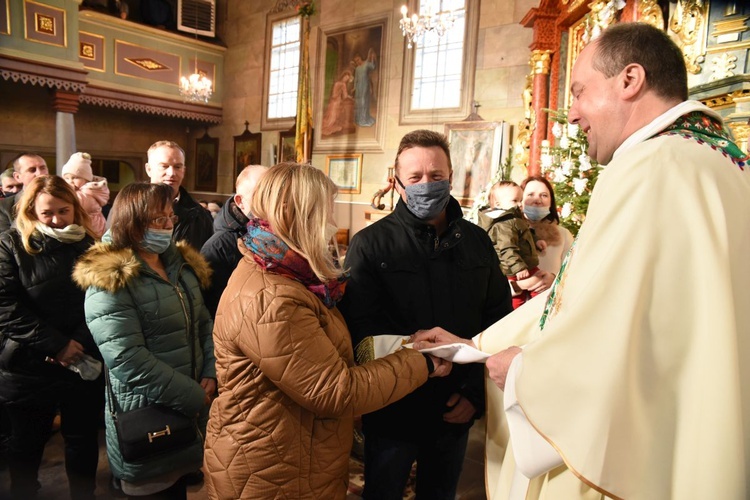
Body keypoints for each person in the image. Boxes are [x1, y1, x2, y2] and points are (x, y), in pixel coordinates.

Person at [413, 22, 750, 499]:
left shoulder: (649, 169)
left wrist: (528, 371)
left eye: (579, 91)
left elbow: (603, 328)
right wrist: (477, 345)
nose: (571, 114)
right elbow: (590, 298)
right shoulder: (726, 162)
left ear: (629, 80)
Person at [202, 162, 451, 499]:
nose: (332, 224)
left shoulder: (288, 274)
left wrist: (404, 345)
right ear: (295, 214)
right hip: (271, 470)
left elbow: (322, 354)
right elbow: (336, 391)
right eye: (326, 213)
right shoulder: (273, 298)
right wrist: (420, 362)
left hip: (297, 456)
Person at [338, 129, 512, 499]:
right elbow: (360, 329)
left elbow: (498, 321)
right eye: (415, 178)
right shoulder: (370, 244)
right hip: (393, 408)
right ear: (396, 183)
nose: (426, 185)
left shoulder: (477, 241)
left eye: (436, 177)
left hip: (455, 407)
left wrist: (474, 395)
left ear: (450, 178)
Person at [73, 182, 216, 499]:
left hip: (190, 410)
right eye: (157, 219)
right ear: (131, 221)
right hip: (149, 413)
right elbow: (127, 358)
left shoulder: (177, 263)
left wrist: (210, 371)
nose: (168, 226)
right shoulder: (110, 276)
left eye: (170, 217)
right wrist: (192, 395)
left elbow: (203, 321)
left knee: (178, 488)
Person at [0, 175, 102, 499]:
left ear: (75, 209)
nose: (57, 219)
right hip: (29, 363)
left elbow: (102, 300)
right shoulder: (10, 244)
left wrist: (78, 343)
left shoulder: (90, 243)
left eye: (64, 211)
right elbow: (4, 305)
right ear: (31, 211)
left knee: (83, 441)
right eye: (47, 213)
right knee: (26, 446)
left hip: (81, 358)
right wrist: (56, 344)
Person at [200, 164, 267, 317]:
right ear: (240, 201)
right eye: (261, 194)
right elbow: (213, 307)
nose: (270, 201)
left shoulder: (273, 233)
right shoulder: (217, 247)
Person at [477, 181, 544, 308]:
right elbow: (507, 248)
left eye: (520, 200)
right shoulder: (503, 225)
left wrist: (536, 240)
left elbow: (524, 232)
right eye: (514, 200)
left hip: (525, 264)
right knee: (516, 300)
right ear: (498, 204)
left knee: (540, 289)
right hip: (513, 269)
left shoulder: (514, 218)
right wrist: (517, 267)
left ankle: (541, 311)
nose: (519, 204)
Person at [511, 176, 573, 302]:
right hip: (509, 310)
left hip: (548, 308)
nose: (537, 200)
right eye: (530, 194)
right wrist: (519, 285)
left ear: (551, 203)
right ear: (520, 202)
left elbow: (574, 274)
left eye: (544, 195)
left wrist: (554, 281)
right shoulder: (506, 232)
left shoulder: (564, 235)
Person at [145, 140, 214, 250]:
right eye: (164, 166)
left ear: (184, 170)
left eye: (177, 167)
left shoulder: (200, 216)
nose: (172, 173)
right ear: (149, 169)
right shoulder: (131, 207)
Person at [62, 152, 111, 239]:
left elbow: (74, 203)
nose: (70, 181)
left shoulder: (88, 194)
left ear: (86, 180)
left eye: (75, 178)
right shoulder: (83, 192)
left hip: (92, 231)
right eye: (66, 178)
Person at [0, 153, 49, 232]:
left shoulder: (63, 198)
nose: (40, 174)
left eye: (43, 168)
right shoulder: (4, 207)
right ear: (18, 177)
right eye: (32, 170)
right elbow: (4, 241)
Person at [321, 70, 355, 136]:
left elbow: (333, 94)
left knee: (330, 115)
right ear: (343, 76)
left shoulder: (336, 83)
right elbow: (345, 96)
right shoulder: (343, 84)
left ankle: (327, 124)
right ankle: (328, 125)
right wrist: (350, 97)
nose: (346, 79)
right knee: (333, 116)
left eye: (347, 79)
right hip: (337, 101)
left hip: (332, 101)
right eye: (346, 78)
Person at [352, 48, 377, 127]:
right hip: (359, 87)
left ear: (360, 58)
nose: (357, 62)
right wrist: (354, 88)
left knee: (364, 102)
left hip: (365, 85)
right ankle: (359, 119)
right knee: (358, 103)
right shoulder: (357, 68)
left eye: (358, 59)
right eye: (356, 61)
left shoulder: (366, 64)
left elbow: (372, 67)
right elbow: (356, 79)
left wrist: (372, 58)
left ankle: (364, 119)